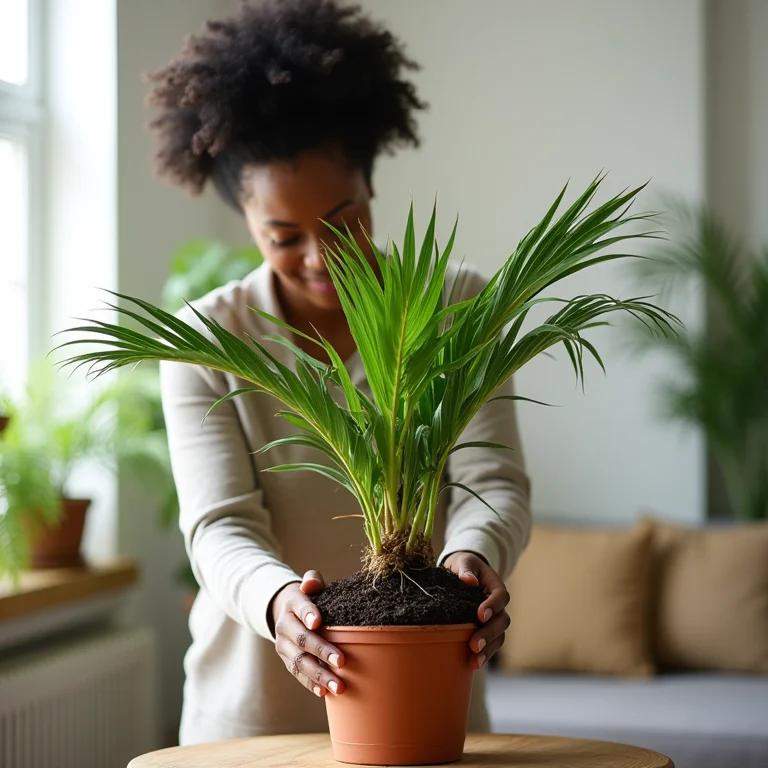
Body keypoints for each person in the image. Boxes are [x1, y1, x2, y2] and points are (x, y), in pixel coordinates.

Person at [150, 0, 531, 745]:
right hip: (250, 725)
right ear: (246, 224)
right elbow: (218, 524)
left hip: (429, 703)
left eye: (344, 219)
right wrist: (277, 604)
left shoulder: (456, 303)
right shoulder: (208, 340)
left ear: (371, 183)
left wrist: (471, 559)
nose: (322, 259)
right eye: (283, 236)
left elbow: (493, 478)